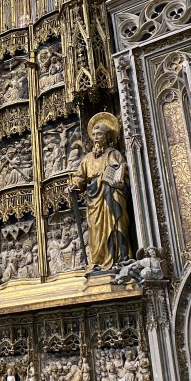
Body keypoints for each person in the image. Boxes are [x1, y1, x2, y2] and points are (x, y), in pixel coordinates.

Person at [69, 113, 132, 270]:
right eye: (94, 135)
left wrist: (119, 180)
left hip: (112, 196)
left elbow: (124, 173)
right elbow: (79, 177)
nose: (96, 137)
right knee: (96, 231)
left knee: (117, 225)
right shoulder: (88, 158)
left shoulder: (114, 154)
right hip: (95, 200)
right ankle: (98, 261)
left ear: (106, 136)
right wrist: (74, 185)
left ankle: (119, 258)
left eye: (100, 134)